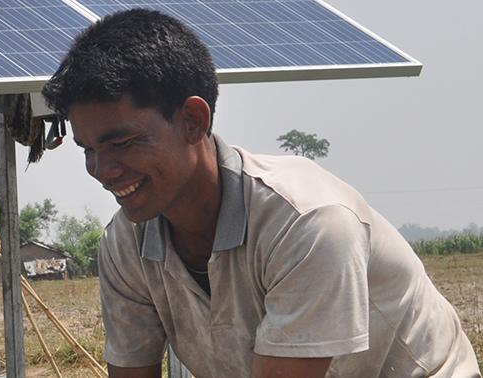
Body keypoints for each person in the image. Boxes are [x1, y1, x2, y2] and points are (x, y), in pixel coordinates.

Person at [41, 9, 480, 378]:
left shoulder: (308, 222)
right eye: (89, 150)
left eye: (121, 143)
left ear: (193, 121)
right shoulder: (125, 244)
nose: (102, 170)